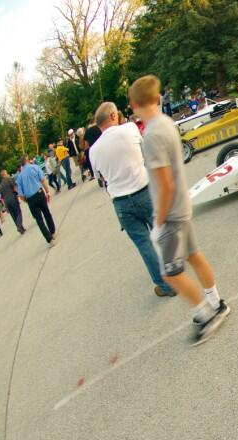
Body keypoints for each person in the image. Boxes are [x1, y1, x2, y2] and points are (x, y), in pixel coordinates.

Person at [129, 75, 230, 345]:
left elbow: (164, 185)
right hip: (181, 208)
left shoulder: (151, 135)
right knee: (194, 256)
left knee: (170, 273)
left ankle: (206, 314)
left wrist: (159, 223)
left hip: (171, 214)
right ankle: (215, 301)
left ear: (136, 104)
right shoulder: (165, 123)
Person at [90, 102, 177, 298]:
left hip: (121, 202)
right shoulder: (129, 129)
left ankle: (165, 285)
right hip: (143, 190)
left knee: (143, 243)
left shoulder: (93, 151)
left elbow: (100, 178)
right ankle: (176, 270)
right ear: (113, 116)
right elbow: (145, 152)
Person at [15, 155, 56, 246]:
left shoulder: (19, 177)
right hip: (39, 193)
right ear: (26, 160)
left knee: (39, 220)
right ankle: (52, 231)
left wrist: (27, 201)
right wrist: (47, 192)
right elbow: (42, 180)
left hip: (30, 199)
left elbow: (21, 195)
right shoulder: (34, 167)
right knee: (46, 213)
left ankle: (49, 239)